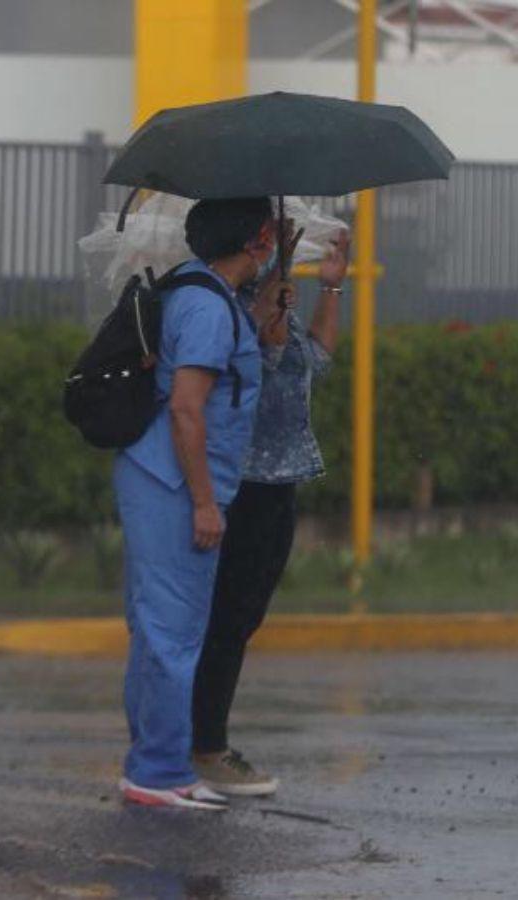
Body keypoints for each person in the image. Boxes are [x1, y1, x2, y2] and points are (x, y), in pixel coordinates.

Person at [114, 196, 278, 811]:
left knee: (160, 629)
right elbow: (187, 408)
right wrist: (206, 505)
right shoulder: (207, 309)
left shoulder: (199, 292)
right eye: (271, 233)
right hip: (175, 485)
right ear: (259, 238)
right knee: (170, 633)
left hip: (156, 476)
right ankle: (155, 774)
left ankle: (155, 767)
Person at [191, 224, 351, 796]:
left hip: (282, 479)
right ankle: (205, 745)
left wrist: (333, 288)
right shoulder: (233, 307)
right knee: (227, 619)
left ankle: (202, 740)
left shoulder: (270, 298)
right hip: (247, 481)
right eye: (262, 239)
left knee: (243, 617)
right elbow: (271, 347)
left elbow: (318, 361)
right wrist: (278, 285)